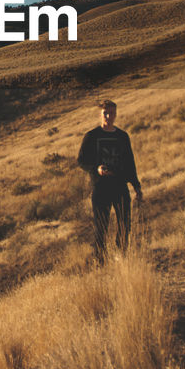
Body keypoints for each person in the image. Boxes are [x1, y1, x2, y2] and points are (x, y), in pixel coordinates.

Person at [77, 100, 143, 264]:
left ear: (116, 114)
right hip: (100, 188)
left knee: (124, 225)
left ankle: (122, 257)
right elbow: (81, 161)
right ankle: (99, 261)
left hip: (120, 186)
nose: (108, 116)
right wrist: (96, 169)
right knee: (101, 227)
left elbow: (130, 162)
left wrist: (136, 186)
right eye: (105, 113)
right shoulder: (92, 136)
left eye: (111, 113)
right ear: (100, 114)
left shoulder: (122, 136)